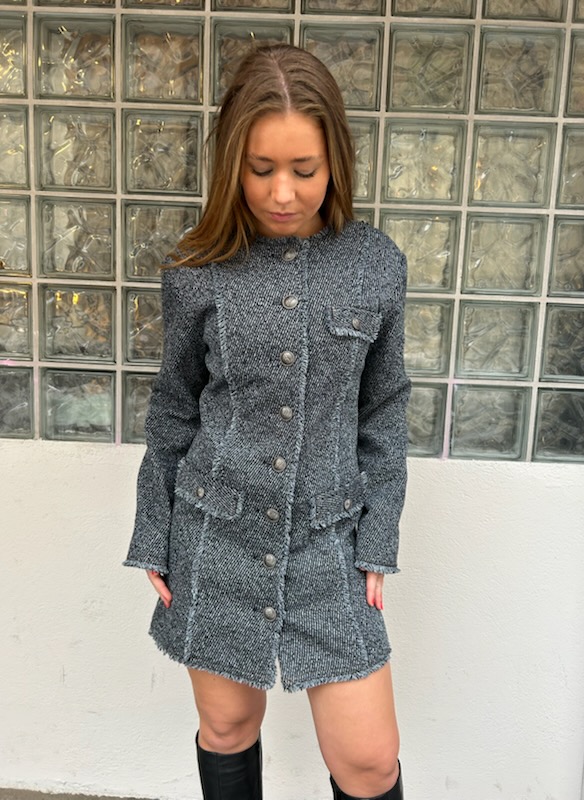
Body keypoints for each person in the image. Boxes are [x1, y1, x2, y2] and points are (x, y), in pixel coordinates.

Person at [124, 43, 410, 800]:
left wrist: (378, 538)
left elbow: (384, 408)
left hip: (329, 541)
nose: (282, 192)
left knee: (369, 760)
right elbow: (174, 406)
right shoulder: (197, 271)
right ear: (233, 165)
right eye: (261, 169)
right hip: (215, 534)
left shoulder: (376, 264)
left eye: (304, 170)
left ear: (335, 161)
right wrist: (154, 529)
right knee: (227, 728)